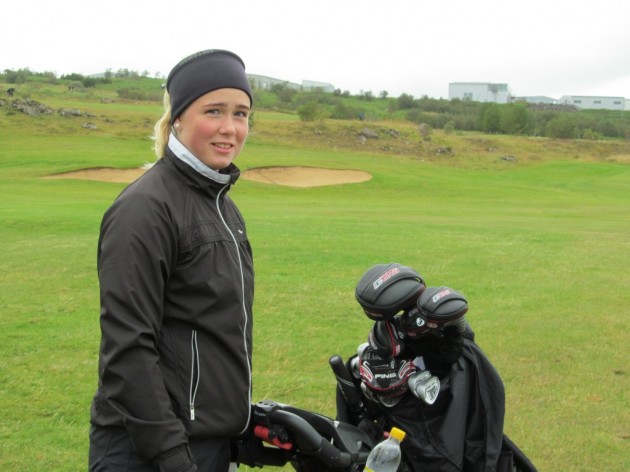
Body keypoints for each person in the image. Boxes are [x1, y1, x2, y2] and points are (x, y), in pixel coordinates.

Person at [88, 49, 255, 472]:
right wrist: (171, 456)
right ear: (177, 117)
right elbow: (127, 347)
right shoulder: (145, 208)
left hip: (205, 443)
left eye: (240, 113)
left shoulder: (222, 205)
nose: (230, 128)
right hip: (149, 451)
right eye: (214, 111)